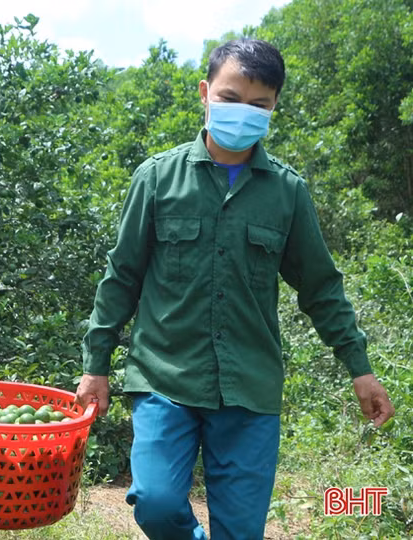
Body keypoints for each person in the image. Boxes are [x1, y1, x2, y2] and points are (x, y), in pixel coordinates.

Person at [75, 38, 395, 540]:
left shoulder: (287, 193)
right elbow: (122, 277)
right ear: (204, 93)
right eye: (229, 97)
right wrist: (96, 366)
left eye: (258, 104)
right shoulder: (157, 179)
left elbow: (322, 289)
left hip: (249, 388)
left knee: (242, 532)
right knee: (156, 503)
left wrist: (361, 369)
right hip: (165, 377)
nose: (242, 112)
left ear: (273, 109)